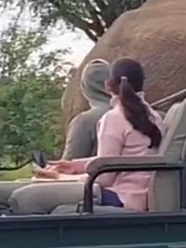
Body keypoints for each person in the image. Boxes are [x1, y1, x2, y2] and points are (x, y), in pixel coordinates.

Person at [19, 58, 164, 212]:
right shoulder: (154, 117)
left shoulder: (114, 118)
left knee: (25, 197)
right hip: (137, 196)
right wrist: (76, 166)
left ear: (108, 85)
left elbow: (104, 178)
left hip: (120, 197)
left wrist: (61, 178)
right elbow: (121, 159)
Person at [0, 59, 113, 210]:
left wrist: (48, 172)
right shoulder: (131, 113)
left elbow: (68, 164)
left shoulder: (86, 120)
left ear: (85, 88)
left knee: (10, 194)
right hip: (94, 183)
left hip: (86, 185)